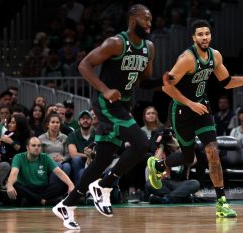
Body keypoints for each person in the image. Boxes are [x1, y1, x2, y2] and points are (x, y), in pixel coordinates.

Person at [53, 4, 163, 230]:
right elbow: (84, 65)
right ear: (133, 19)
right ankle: (105, 185)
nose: (150, 23)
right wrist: (104, 89)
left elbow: (143, 82)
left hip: (122, 106)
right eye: (146, 19)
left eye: (151, 19)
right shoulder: (116, 43)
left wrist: (165, 81)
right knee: (142, 143)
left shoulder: (149, 48)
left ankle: (67, 205)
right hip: (105, 104)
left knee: (101, 160)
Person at [147, 19, 243, 218]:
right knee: (188, 157)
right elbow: (166, 87)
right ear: (193, 38)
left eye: (207, 33)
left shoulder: (215, 56)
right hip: (182, 111)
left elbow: (227, 82)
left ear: (210, 35)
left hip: (202, 108)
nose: (204, 37)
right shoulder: (187, 59)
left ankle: (221, 202)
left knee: (213, 151)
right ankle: (158, 165)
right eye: (200, 34)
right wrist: (190, 104)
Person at [6, 137, 74, 206]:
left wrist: (71, 185)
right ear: (27, 147)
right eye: (33, 145)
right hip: (26, 188)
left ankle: (30, 201)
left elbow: (59, 172)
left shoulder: (45, 157)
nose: (36, 148)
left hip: (42, 188)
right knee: (15, 184)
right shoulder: (18, 157)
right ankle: (44, 202)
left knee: (64, 184)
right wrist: (10, 185)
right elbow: (14, 173)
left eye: (39, 145)